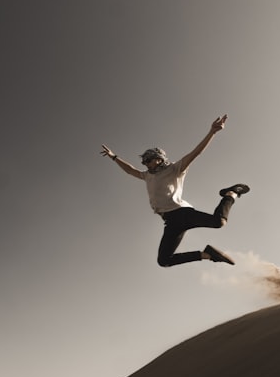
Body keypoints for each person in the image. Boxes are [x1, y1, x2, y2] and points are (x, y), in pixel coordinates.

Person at [99, 114, 249, 267]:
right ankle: (207, 254)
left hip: (182, 213)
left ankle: (231, 193)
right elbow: (130, 170)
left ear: (159, 159)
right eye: (144, 162)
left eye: (149, 160)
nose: (146, 164)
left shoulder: (175, 169)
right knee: (163, 261)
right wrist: (114, 157)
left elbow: (195, 153)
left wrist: (212, 132)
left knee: (219, 222)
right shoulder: (147, 176)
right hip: (170, 222)